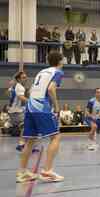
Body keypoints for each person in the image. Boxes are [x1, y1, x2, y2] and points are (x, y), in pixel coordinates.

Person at [16, 51, 65, 183]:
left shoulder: (42, 72)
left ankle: (22, 172)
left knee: (30, 140)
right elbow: (51, 89)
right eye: (63, 59)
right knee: (55, 136)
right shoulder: (58, 72)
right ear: (60, 61)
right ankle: (47, 170)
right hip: (41, 106)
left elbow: (32, 90)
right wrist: (56, 106)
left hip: (30, 106)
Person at [8, 72, 28, 151]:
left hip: (12, 111)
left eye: (25, 77)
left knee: (25, 126)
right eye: (23, 77)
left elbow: (8, 92)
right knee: (26, 126)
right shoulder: (20, 87)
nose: (25, 79)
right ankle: (22, 144)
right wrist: (31, 101)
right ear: (19, 79)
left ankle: (23, 144)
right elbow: (21, 97)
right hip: (16, 112)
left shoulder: (14, 86)